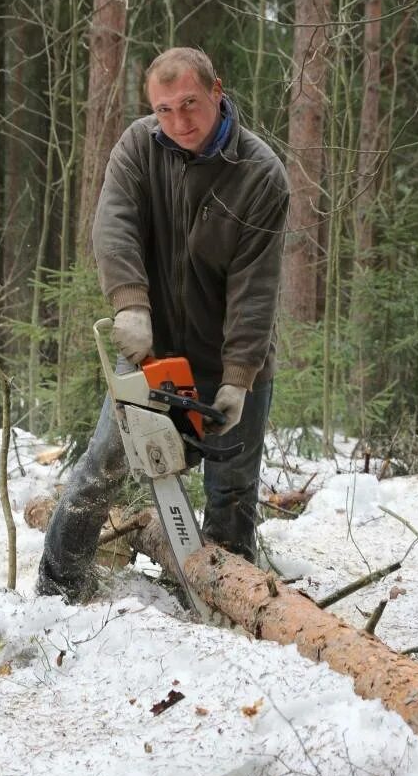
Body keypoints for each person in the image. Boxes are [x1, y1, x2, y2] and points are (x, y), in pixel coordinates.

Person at [37, 47, 289, 603]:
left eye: (191, 104)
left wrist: (239, 378)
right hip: (150, 348)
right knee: (104, 459)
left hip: (232, 356)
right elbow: (114, 224)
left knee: (233, 490)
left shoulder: (260, 174)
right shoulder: (137, 147)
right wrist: (130, 303)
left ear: (217, 91)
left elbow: (257, 286)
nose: (180, 121)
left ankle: (227, 603)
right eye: (166, 108)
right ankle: (59, 584)